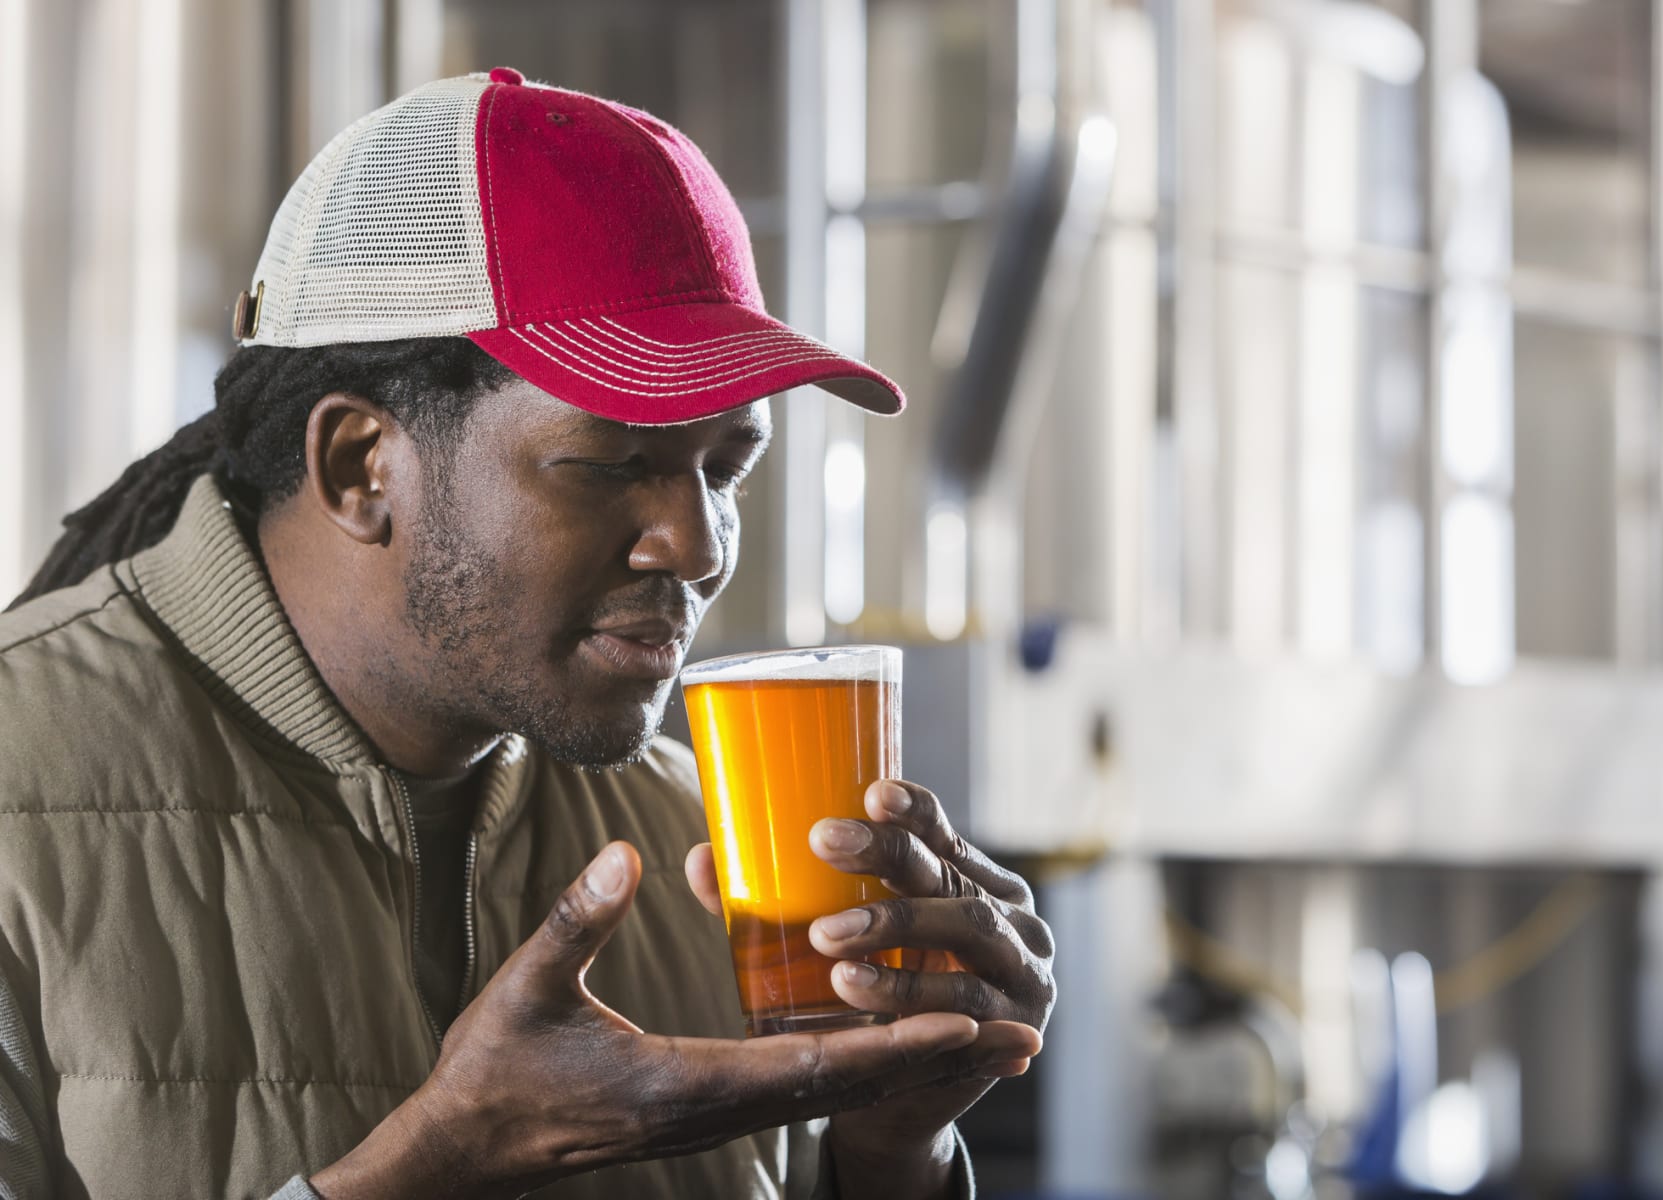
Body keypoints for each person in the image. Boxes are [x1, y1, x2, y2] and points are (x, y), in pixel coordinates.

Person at [0, 69, 1054, 1199]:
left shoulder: (711, 850)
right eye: (614, 464)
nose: (696, 548)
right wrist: (437, 1166)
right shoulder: (25, 792)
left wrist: (889, 1149)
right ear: (363, 466)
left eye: (725, 469)